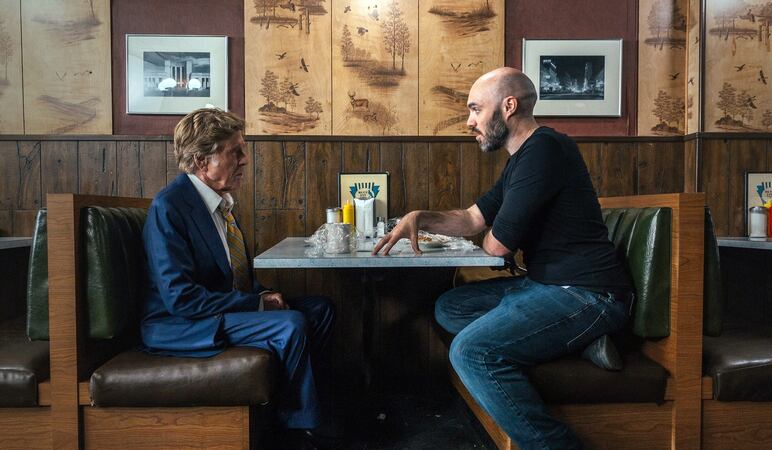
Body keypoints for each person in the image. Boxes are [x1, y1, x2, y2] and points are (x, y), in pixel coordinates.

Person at [373, 67, 633, 449]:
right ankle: (580, 341)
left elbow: (495, 247)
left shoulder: (545, 149)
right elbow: (474, 219)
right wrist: (419, 217)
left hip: (589, 293)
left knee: (472, 351)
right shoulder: (521, 159)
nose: (469, 121)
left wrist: (497, 232)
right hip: (544, 285)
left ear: (508, 106)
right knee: (450, 307)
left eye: (476, 109)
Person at [140, 108, 334, 448]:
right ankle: (298, 430)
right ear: (203, 161)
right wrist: (257, 303)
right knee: (290, 324)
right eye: (235, 152)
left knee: (320, 309)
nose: (245, 160)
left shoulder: (221, 205)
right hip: (182, 324)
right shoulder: (169, 206)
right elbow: (181, 298)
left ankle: (289, 406)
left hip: (219, 310)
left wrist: (264, 293)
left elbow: (231, 278)